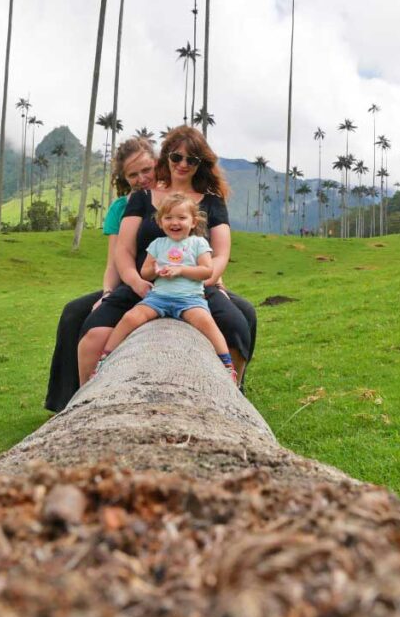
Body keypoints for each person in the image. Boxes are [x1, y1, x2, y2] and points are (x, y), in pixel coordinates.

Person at [76, 125, 255, 393]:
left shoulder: (213, 202)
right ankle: (83, 399)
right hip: (146, 285)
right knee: (93, 335)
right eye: (176, 157)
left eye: (191, 159)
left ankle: (233, 396)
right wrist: (136, 282)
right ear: (166, 157)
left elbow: (221, 253)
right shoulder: (141, 198)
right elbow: (123, 250)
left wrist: (208, 280)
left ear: (200, 164)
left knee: (236, 328)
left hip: (196, 287)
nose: (182, 164)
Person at [42, 137, 158, 412]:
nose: (141, 179)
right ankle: (66, 403)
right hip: (129, 284)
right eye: (133, 174)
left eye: (146, 170)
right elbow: (114, 260)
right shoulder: (120, 207)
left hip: (170, 283)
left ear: (157, 164)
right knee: (73, 313)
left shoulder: (173, 197)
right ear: (124, 178)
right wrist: (107, 294)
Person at [94, 193, 238, 381]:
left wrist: (181, 270)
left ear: (193, 222)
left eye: (181, 217)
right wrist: (154, 271)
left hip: (190, 299)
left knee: (207, 324)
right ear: (160, 223)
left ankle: (227, 364)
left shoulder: (198, 243)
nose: (174, 222)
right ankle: (105, 357)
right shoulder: (157, 244)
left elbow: (206, 271)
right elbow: (145, 272)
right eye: (168, 218)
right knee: (130, 317)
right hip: (159, 297)